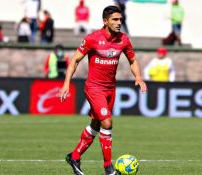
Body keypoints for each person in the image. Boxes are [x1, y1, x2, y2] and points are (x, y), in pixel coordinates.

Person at [59, 5, 147, 175]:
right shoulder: (92, 39)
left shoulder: (124, 39)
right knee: (107, 122)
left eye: (120, 19)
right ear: (105, 21)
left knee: (96, 124)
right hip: (94, 88)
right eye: (115, 19)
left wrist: (138, 77)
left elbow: (133, 60)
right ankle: (108, 167)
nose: (119, 22)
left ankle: (75, 156)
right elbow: (75, 60)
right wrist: (66, 83)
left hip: (110, 89)